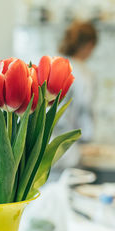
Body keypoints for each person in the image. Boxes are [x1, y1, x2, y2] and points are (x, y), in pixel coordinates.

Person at [56, 21, 98, 167]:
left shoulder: (55, 64)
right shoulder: (84, 75)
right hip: (70, 152)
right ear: (89, 46)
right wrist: (87, 142)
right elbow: (85, 113)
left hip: (45, 149)